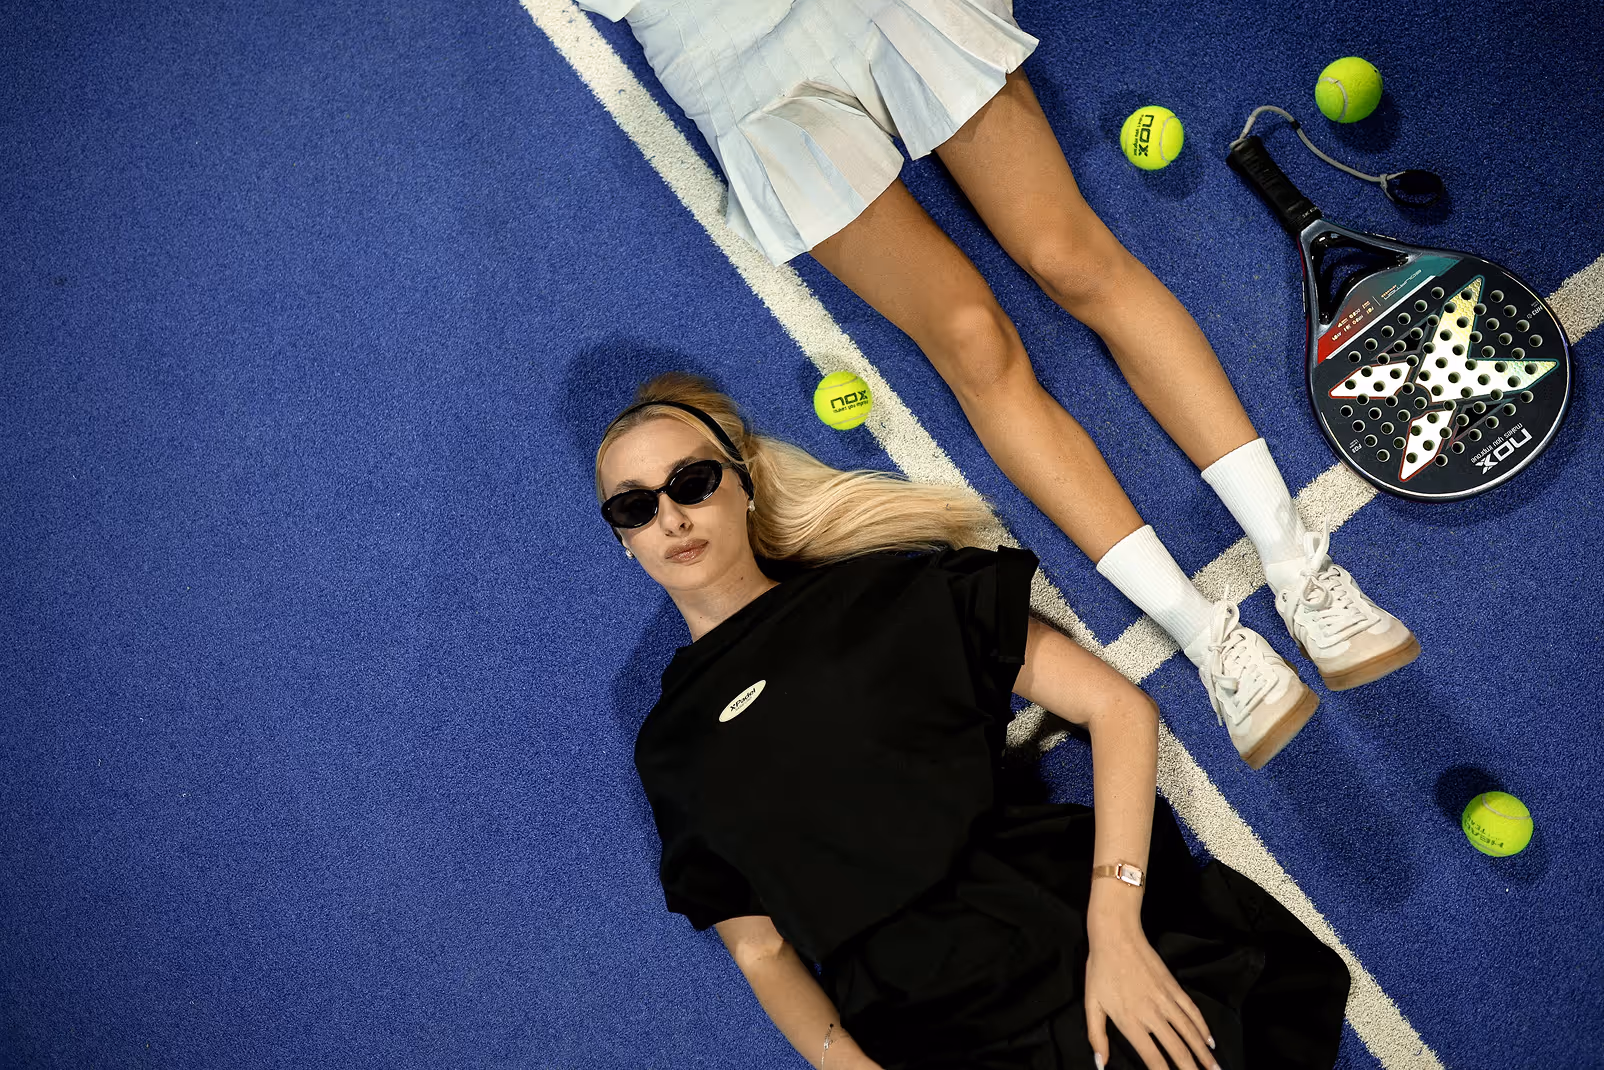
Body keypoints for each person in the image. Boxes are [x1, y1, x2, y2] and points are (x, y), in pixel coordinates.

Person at [576, 0, 1420, 767]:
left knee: (1073, 260)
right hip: (725, 61)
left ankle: (1299, 565)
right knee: (972, 343)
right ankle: (1204, 639)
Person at [595, 373, 1351, 1070]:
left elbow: (1117, 707)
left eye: (691, 482)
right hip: (924, 1035)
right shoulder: (671, 747)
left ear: (744, 485)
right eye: (635, 506)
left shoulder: (884, 593)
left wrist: (1114, 930)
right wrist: (845, 1065)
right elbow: (759, 949)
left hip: (1056, 949)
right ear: (623, 538)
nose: (670, 517)